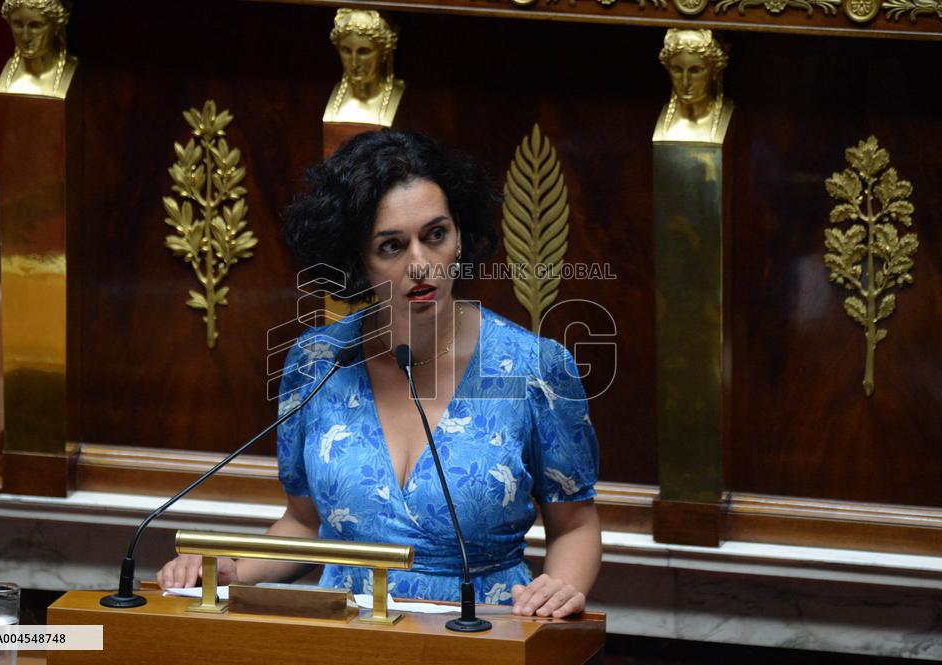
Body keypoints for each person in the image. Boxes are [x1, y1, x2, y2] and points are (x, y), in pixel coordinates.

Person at [158, 130, 601, 618]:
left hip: (483, 635)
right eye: (392, 246)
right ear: (357, 262)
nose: (420, 264)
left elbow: (574, 523)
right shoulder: (316, 363)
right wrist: (232, 571)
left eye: (435, 235)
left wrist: (558, 590)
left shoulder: (536, 367)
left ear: (459, 238)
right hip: (345, 636)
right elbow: (305, 524)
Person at [322, 9, 405, 127]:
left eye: (364, 52)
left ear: (385, 51)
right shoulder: (335, 97)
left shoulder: (398, 93)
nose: (354, 63)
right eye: (346, 50)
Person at [654, 29, 732, 143]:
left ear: (715, 71)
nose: (685, 82)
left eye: (695, 71)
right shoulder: (656, 117)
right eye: (677, 70)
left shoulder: (730, 116)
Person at [0, 0, 78, 98]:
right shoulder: (7, 78)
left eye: (35, 26)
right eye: (18, 24)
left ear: (57, 26)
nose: (25, 37)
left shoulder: (71, 72)